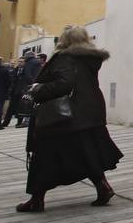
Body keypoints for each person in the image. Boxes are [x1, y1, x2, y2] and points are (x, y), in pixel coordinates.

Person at [16, 26, 123, 212]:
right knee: (87, 153)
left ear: (65, 40)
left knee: (44, 156)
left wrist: (37, 90)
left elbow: (64, 84)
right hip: (89, 113)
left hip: (63, 116)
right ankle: (103, 187)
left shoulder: (65, 58)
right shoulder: (90, 59)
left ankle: (37, 199)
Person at [2, 52, 41, 129]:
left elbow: (28, 78)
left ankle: (19, 122)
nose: (20, 63)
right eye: (19, 61)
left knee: (21, 107)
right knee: (11, 107)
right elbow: (12, 80)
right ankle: (6, 122)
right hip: (15, 91)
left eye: (22, 62)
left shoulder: (26, 69)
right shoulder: (16, 70)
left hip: (23, 90)